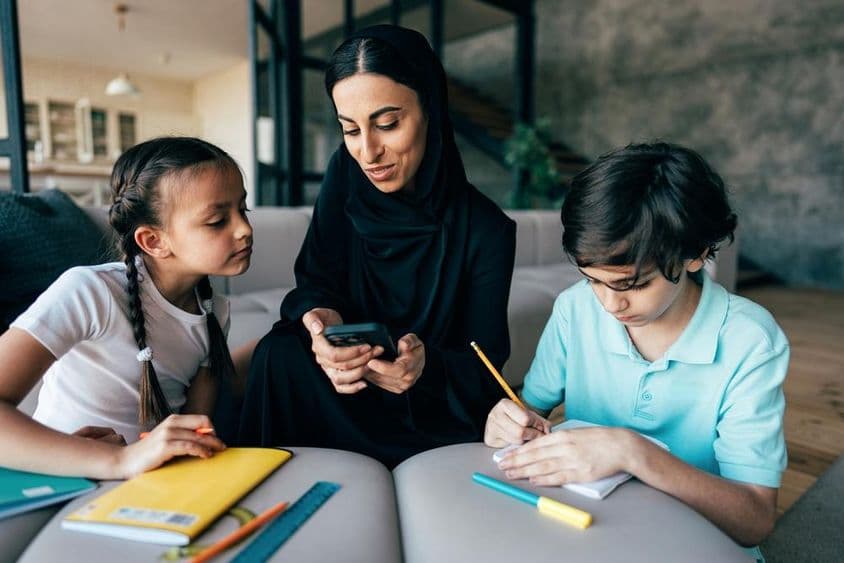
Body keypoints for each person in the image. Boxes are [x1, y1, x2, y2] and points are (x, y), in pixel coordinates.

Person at [484, 142, 787, 556]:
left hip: (693, 541)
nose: (610, 304)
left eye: (633, 284)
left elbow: (754, 520)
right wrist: (511, 421)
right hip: (585, 530)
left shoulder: (751, 342)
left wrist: (631, 452)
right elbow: (531, 409)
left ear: (696, 254)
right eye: (593, 279)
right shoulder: (576, 308)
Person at [238, 25, 517, 468]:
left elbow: (485, 365)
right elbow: (316, 280)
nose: (368, 152)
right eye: (350, 130)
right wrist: (320, 325)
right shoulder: (344, 175)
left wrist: (424, 368)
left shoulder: (488, 230)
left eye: (387, 124)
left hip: (422, 403)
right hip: (341, 380)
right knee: (281, 351)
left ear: (429, 108)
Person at [0, 137, 252, 478]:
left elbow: (195, 432)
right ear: (153, 241)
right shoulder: (91, 291)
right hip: (67, 476)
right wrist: (119, 461)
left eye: (243, 209)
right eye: (217, 220)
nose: (245, 229)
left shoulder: (214, 312)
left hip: (152, 480)